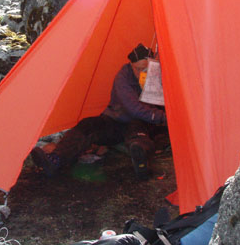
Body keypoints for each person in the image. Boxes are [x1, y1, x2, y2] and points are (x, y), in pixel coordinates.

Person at [30, 43, 168, 180]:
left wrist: (164, 117)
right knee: (88, 125)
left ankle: (142, 162)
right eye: (137, 69)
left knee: (137, 131)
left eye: (145, 69)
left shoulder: (159, 74)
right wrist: (164, 117)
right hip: (117, 121)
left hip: (142, 124)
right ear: (130, 65)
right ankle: (55, 159)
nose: (140, 73)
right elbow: (133, 108)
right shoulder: (123, 76)